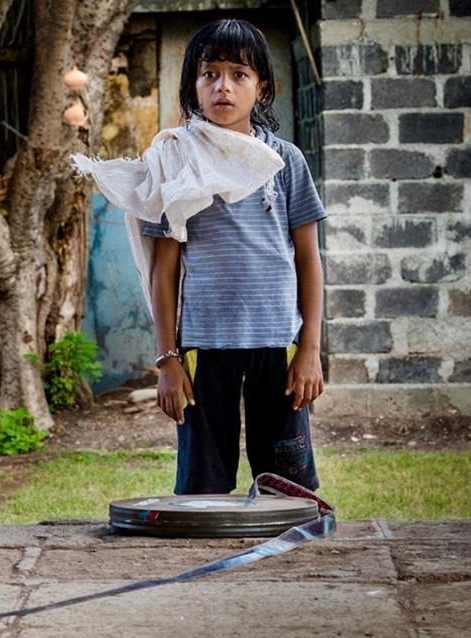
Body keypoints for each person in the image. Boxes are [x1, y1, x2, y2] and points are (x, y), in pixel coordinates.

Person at [145, 18, 327, 494]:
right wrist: (167, 360)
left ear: (261, 88)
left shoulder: (285, 162)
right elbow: (163, 271)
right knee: (202, 491)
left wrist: (309, 348)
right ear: (193, 86)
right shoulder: (176, 163)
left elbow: (309, 260)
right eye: (209, 74)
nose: (223, 86)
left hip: (278, 347)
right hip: (205, 349)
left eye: (239, 75)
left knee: (289, 492)